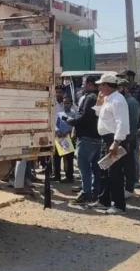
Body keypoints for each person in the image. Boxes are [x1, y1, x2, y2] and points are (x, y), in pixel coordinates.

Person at [90, 73, 130, 214]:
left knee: (115, 173)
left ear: (106, 85)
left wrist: (116, 142)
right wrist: (99, 103)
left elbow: (122, 122)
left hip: (113, 139)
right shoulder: (108, 99)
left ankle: (119, 205)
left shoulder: (117, 100)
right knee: (104, 171)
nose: (99, 87)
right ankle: (104, 200)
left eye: (101, 85)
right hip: (106, 139)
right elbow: (101, 116)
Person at [67, 75, 102, 205]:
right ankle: (94, 193)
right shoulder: (99, 97)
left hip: (87, 137)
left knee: (84, 167)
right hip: (97, 137)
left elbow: (85, 117)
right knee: (94, 168)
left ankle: (86, 193)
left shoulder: (90, 98)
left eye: (84, 83)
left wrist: (72, 121)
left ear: (90, 84)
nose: (82, 86)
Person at [119, 70, 140, 189]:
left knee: (134, 154)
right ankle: (127, 179)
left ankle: (135, 179)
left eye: (124, 77)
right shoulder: (122, 93)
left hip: (135, 128)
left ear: (131, 77)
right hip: (123, 129)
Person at [119, 79, 140, 198]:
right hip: (121, 139)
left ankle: (129, 189)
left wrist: (128, 140)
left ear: (125, 88)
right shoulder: (122, 101)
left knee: (128, 165)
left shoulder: (131, 102)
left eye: (119, 87)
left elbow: (132, 122)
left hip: (128, 140)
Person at [53, 96, 77, 182]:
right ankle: (57, 175)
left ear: (71, 104)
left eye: (67, 103)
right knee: (57, 157)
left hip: (68, 138)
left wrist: (67, 132)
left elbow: (75, 126)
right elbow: (56, 125)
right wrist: (58, 131)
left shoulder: (74, 114)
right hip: (60, 137)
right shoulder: (60, 114)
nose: (65, 105)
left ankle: (69, 176)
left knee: (68, 158)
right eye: (64, 103)